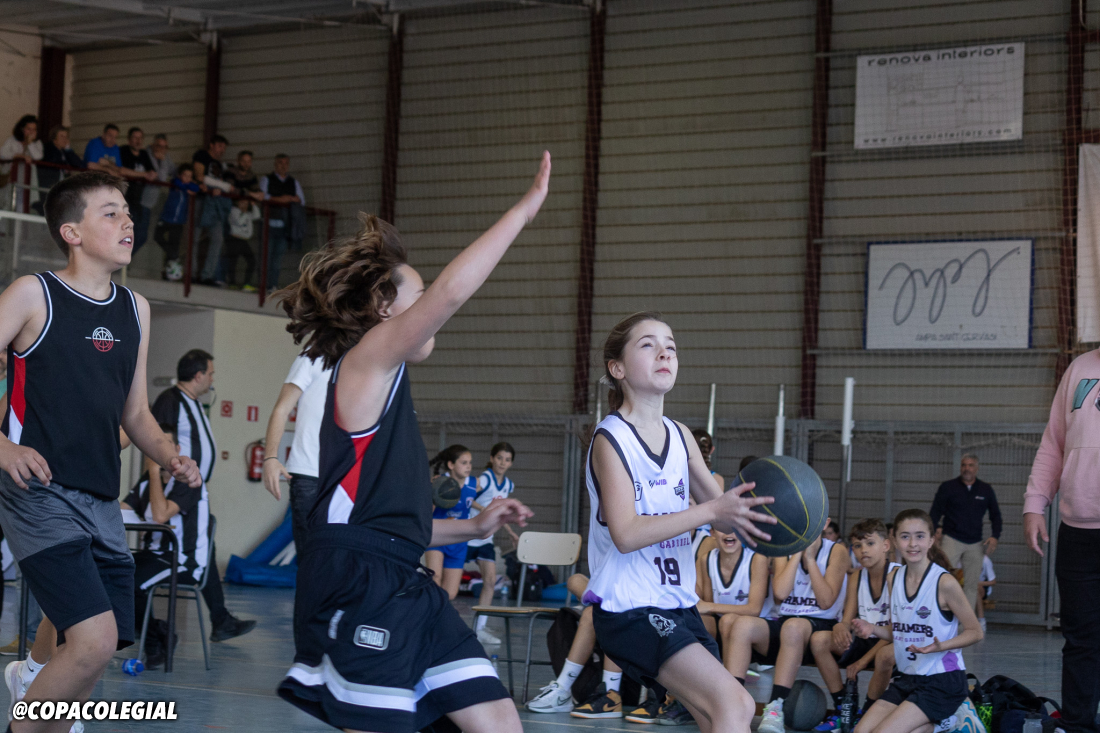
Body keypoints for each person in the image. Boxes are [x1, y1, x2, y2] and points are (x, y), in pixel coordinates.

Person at [275, 152, 550, 733]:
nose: (429, 309)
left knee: (500, 721)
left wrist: (471, 528)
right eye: (416, 295)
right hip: (359, 581)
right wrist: (524, 212)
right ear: (383, 308)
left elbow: (390, 528)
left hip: (403, 575)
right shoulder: (366, 359)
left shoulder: (391, 386)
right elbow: (450, 293)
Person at [0, 171, 201, 733]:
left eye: (128, 213)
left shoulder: (136, 309)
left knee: (94, 649)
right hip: (37, 492)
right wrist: (3, 448)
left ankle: (32, 679)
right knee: (94, 640)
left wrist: (169, 455)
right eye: (110, 213)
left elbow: (135, 413)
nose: (127, 222)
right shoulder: (32, 294)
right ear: (71, 232)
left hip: (99, 498)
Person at [584, 312, 777, 733]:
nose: (664, 352)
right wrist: (710, 513)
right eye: (648, 345)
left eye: (670, 345)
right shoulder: (610, 438)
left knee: (723, 713)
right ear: (617, 368)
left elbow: (725, 516)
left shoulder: (681, 436)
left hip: (678, 603)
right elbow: (626, 533)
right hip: (630, 607)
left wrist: (774, 522)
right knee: (734, 703)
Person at [151, 349, 255, 642]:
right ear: (198, 376)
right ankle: (219, 619)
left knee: (205, 545)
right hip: (180, 488)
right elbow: (158, 439)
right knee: (201, 547)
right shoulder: (171, 400)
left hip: (195, 490)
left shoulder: (195, 403)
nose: (212, 379)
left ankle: (220, 619)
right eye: (210, 373)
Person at [852, 509, 983, 733]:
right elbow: (897, 632)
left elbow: (975, 631)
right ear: (894, 540)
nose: (912, 544)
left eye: (920, 536)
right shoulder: (893, 579)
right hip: (908, 677)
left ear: (931, 540)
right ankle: (943, 724)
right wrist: (872, 628)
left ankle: (951, 718)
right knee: (860, 731)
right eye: (905, 536)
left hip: (942, 682)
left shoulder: (944, 583)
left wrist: (941, 646)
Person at [1023, 352, 1100, 733]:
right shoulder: (1079, 368)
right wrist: (1035, 503)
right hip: (1077, 531)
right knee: (1081, 639)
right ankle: (1078, 725)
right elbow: (1053, 443)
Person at [724, 516, 848, 733]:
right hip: (787, 624)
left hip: (820, 625)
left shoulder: (837, 551)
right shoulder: (785, 549)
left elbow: (826, 600)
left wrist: (810, 560)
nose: (805, 526)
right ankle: (732, 706)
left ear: (825, 523)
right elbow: (780, 593)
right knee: (742, 625)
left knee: (793, 627)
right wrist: (798, 552)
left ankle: (775, 708)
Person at [120, 424, 214, 668]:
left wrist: (153, 471)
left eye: (164, 443)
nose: (156, 448)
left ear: (177, 450)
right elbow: (122, 509)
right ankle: (160, 631)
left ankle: (154, 644)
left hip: (182, 560)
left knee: (132, 583)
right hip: (153, 554)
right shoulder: (146, 482)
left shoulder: (187, 480)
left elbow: (160, 516)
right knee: (112, 572)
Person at [810, 518, 898, 732]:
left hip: (892, 642)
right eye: (857, 546)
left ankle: (868, 713)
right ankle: (843, 708)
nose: (863, 550)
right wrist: (840, 626)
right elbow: (847, 619)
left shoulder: (897, 576)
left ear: (886, 545)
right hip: (866, 640)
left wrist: (861, 662)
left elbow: (896, 632)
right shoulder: (857, 576)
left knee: (884, 655)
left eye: (870, 543)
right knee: (819, 640)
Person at [526, 573, 628, 719]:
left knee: (599, 613)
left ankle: (610, 694)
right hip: (614, 598)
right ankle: (563, 689)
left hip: (643, 603)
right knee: (575, 580)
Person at [262, 353, 332, 552]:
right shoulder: (314, 356)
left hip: (346, 474)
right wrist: (270, 457)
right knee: (312, 556)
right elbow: (281, 409)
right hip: (309, 473)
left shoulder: (362, 355)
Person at [930, 454, 1001, 610]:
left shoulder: (985, 489)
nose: (967, 468)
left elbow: (996, 515)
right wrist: (931, 534)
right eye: (964, 465)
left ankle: (965, 621)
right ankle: (940, 613)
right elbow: (935, 512)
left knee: (971, 585)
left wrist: (995, 536)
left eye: (970, 465)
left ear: (977, 468)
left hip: (975, 542)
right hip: (951, 538)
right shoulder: (948, 487)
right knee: (941, 577)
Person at [468, 441, 519, 645]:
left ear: (511, 463)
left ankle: (479, 629)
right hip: (466, 535)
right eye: (499, 458)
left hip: (485, 539)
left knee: (489, 582)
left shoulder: (508, 485)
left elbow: (501, 513)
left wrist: (511, 532)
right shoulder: (484, 479)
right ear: (492, 458)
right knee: (449, 584)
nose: (502, 462)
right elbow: (467, 498)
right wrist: (485, 511)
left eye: (507, 459)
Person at [424, 445, 478, 601]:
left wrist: (483, 508)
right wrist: (433, 494)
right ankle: (427, 614)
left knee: (451, 593)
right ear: (451, 465)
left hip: (459, 541)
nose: (468, 466)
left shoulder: (474, 484)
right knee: (434, 579)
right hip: (438, 538)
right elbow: (427, 512)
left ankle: (439, 614)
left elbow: (469, 501)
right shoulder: (439, 483)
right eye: (464, 463)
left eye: (470, 462)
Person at [191, 135, 234, 285]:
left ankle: (207, 275)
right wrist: (222, 187)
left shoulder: (220, 165)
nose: (222, 150)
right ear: (212, 145)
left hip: (215, 204)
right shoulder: (201, 155)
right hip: (200, 200)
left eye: (224, 147)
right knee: (194, 237)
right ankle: (192, 274)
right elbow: (200, 176)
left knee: (217, 238)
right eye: (220, 146)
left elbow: (218, 183)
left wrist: (220, 188)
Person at [258, 154, 305, 289]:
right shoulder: (267, 179)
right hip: (268, 224)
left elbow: (301, 200)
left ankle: (272, 285)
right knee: (265, 257)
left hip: (285, 226)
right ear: (275, 164)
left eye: (286, 163)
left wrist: (290, 199)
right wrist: (280, 199)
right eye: (280, 163)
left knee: (277, 259)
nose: (283, 166)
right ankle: (262, 286)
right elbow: (262, 196)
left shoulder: (293, 182)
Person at [153, 164, 201, 280]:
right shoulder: (175, 183)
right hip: (166, 218)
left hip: (179, 222)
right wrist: (187, 189)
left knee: (174, 244)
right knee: (158, 236)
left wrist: (190, 187)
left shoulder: (190, 187)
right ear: (180, 175)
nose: (187, 178)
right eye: (185, 175)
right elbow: (177, 183)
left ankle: (169, 272)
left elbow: (197, 188)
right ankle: (173, 256)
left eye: (189, 176)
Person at [119, 128, 158, 255]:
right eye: (135, 138)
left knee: (141, 236)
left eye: (140, 138)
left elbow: (152, 172)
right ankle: (118, 259)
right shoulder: (123, 151)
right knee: (124, 233)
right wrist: (144, 174)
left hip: (141, 200)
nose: (138, 141)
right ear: (129, 139)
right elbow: (122, 170)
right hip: (125, 198)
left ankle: (124, 259)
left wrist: (150, 174)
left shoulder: (144, 154)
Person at [1, 115, 43, 212]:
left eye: (34, 130)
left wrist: (30, 143)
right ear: (22, 129)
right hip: (11, 178)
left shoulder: (37, 143)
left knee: (23, 206)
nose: (31, 132)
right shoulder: (12, 140)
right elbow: (2, 154)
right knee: (7, 205)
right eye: (29, 129)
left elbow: (38, 156)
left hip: (27, 181)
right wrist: (19, 156)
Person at [224, 198, 259, 289]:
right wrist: (244, 212)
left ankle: (247, 284)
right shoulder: (234, 211)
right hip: (234, 239)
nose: (245, 205)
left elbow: (257, 216)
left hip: (244, 240)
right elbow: (239, 222)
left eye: (247, 203)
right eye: (243, 202)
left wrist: (253, 205)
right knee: (233, 261)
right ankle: (232, 283)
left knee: (251, 261)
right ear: (238, 202)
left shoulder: (247, 213)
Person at [37, 126, 85, 192]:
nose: (65, 139)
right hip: (49, 184)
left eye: (66, 137)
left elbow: (78, 163)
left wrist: (68, 149)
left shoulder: (65, 151)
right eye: (62, 136)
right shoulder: (48, 148)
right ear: (54, 139)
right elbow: (54, 160)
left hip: (62, 185)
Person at [976, 552, 995, 633]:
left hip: (982, 587)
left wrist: (977, 583)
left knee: (976, 589)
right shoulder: (961, 558)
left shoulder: (985, 560)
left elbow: (993, 581)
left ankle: (981, 620)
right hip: (965, 586)